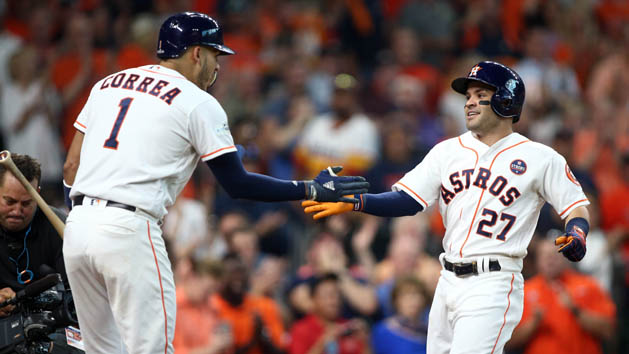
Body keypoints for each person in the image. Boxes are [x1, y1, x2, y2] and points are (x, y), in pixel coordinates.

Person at [61, 12, 368, 354]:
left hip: (78, 226)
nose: (217, 66)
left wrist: (81, 216)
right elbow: (237, 184)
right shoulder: (197, 102)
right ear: (195, 53)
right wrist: (309, 188)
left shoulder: (107, 84)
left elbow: (71, 166)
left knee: (98, 350)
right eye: (215, 55)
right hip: (129, 229)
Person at [302, 60, 591, 353]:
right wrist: (356, 204)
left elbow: (575, 207)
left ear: (506, 100)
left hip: (493, 281)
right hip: (447, 280)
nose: (470, 103)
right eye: (468, 97)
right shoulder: (447, 150)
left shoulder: (540, 157)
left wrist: (577, 233)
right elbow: (406, 199)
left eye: (480, 95)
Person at [0, 153, 80, 353]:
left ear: (38, 194)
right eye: (9, 201)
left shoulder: (58, 226)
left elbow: (78, 298)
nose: (17, 211)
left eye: (26, 203)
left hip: (51, 327)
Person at [507, 238, 616, 354]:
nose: (550, 260)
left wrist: (576, 311)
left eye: (555, 255)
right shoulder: (523, 290)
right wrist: (533, 323)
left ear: (567, 258)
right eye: (545, 256)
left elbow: (608, 330)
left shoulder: (589, 285)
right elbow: (508, 342)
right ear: (537, 260)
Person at [209, 253, 286, 354]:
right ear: (221, 278)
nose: (238, 278)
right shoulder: (211, 306)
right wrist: (253, 340)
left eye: (241, 272)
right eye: (232, 273)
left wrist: (262, 336)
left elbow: (281, 351)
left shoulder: (263, 305)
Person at [288, 273, 370, 354]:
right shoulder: (301, 330)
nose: (334, 301)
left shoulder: (348, 327)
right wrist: (323, 343)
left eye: (338, 294)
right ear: (313, 299)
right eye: (328, 295)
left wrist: (364, 342)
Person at [371, 276, 430, 354]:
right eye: (405, 295)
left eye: (416, 294)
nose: (411, 300)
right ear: (396, 300)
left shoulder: (430, 332)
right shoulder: (383, 330)